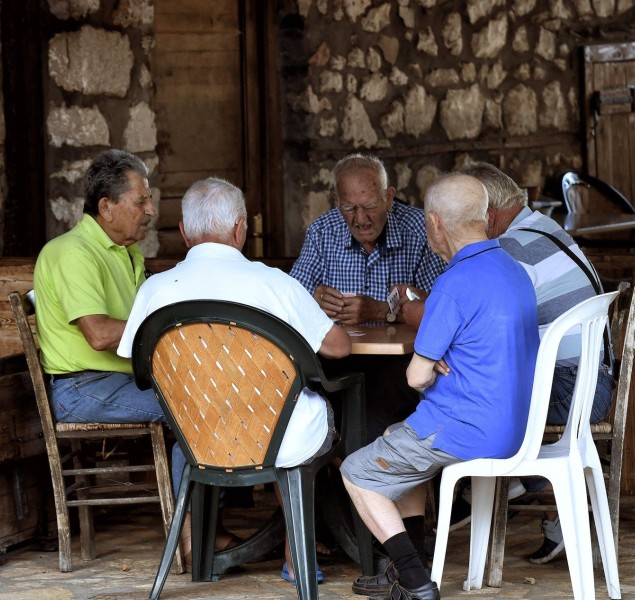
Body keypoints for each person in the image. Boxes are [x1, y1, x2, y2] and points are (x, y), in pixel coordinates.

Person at [116, 176, 350, 584]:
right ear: (241, 228)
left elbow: (135, 363)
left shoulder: (155, 291)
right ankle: (300, 559)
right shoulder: (276, 284)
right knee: (305, 421)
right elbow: (339, 348)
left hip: (200, 438)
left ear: (185, 233)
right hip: (278, 438)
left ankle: (201, 556)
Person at [340, 173, 539, 600]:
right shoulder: (513, 269)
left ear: (433, 223)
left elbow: (415, 376)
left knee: (356, 472)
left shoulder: (453, 283)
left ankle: (415, 581)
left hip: (465, 429)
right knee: (399, 434)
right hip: (514, 424)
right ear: (485, 217)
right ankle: (409, 559)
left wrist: (432, 362)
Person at [33, 149, 224, 567]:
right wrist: (164, 319)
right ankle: (192, 539)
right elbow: (99, 333)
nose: (151, 210)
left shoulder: (127, 252)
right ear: (106, 206)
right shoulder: (72, 253)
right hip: (81, 389)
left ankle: (204, 526)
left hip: (124, 381)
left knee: (210, 393)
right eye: (141, 201)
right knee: (190, 406)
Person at [458, 162, 615, 565]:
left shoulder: (513, 246)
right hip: (589, 382)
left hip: (571, 390)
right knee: (476, 398)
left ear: (487, 213)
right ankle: (513, 490)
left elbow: (484, 322)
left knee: (463, 407)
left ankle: (495, 486)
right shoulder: (541, 228)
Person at [291, 153, 446, 441]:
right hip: (336, 358)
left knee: (375, 407)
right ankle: (338, 472)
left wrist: (380, 311)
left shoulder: (418, 231)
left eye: (370, 206)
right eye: (349, 207)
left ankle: (363, 474)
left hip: (399, 364)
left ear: (389, 198)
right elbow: (288, 300)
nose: (360, 219)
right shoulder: (322, 232)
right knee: (309, 397)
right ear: (337, 201)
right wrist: (312, 298)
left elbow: (440, 309)